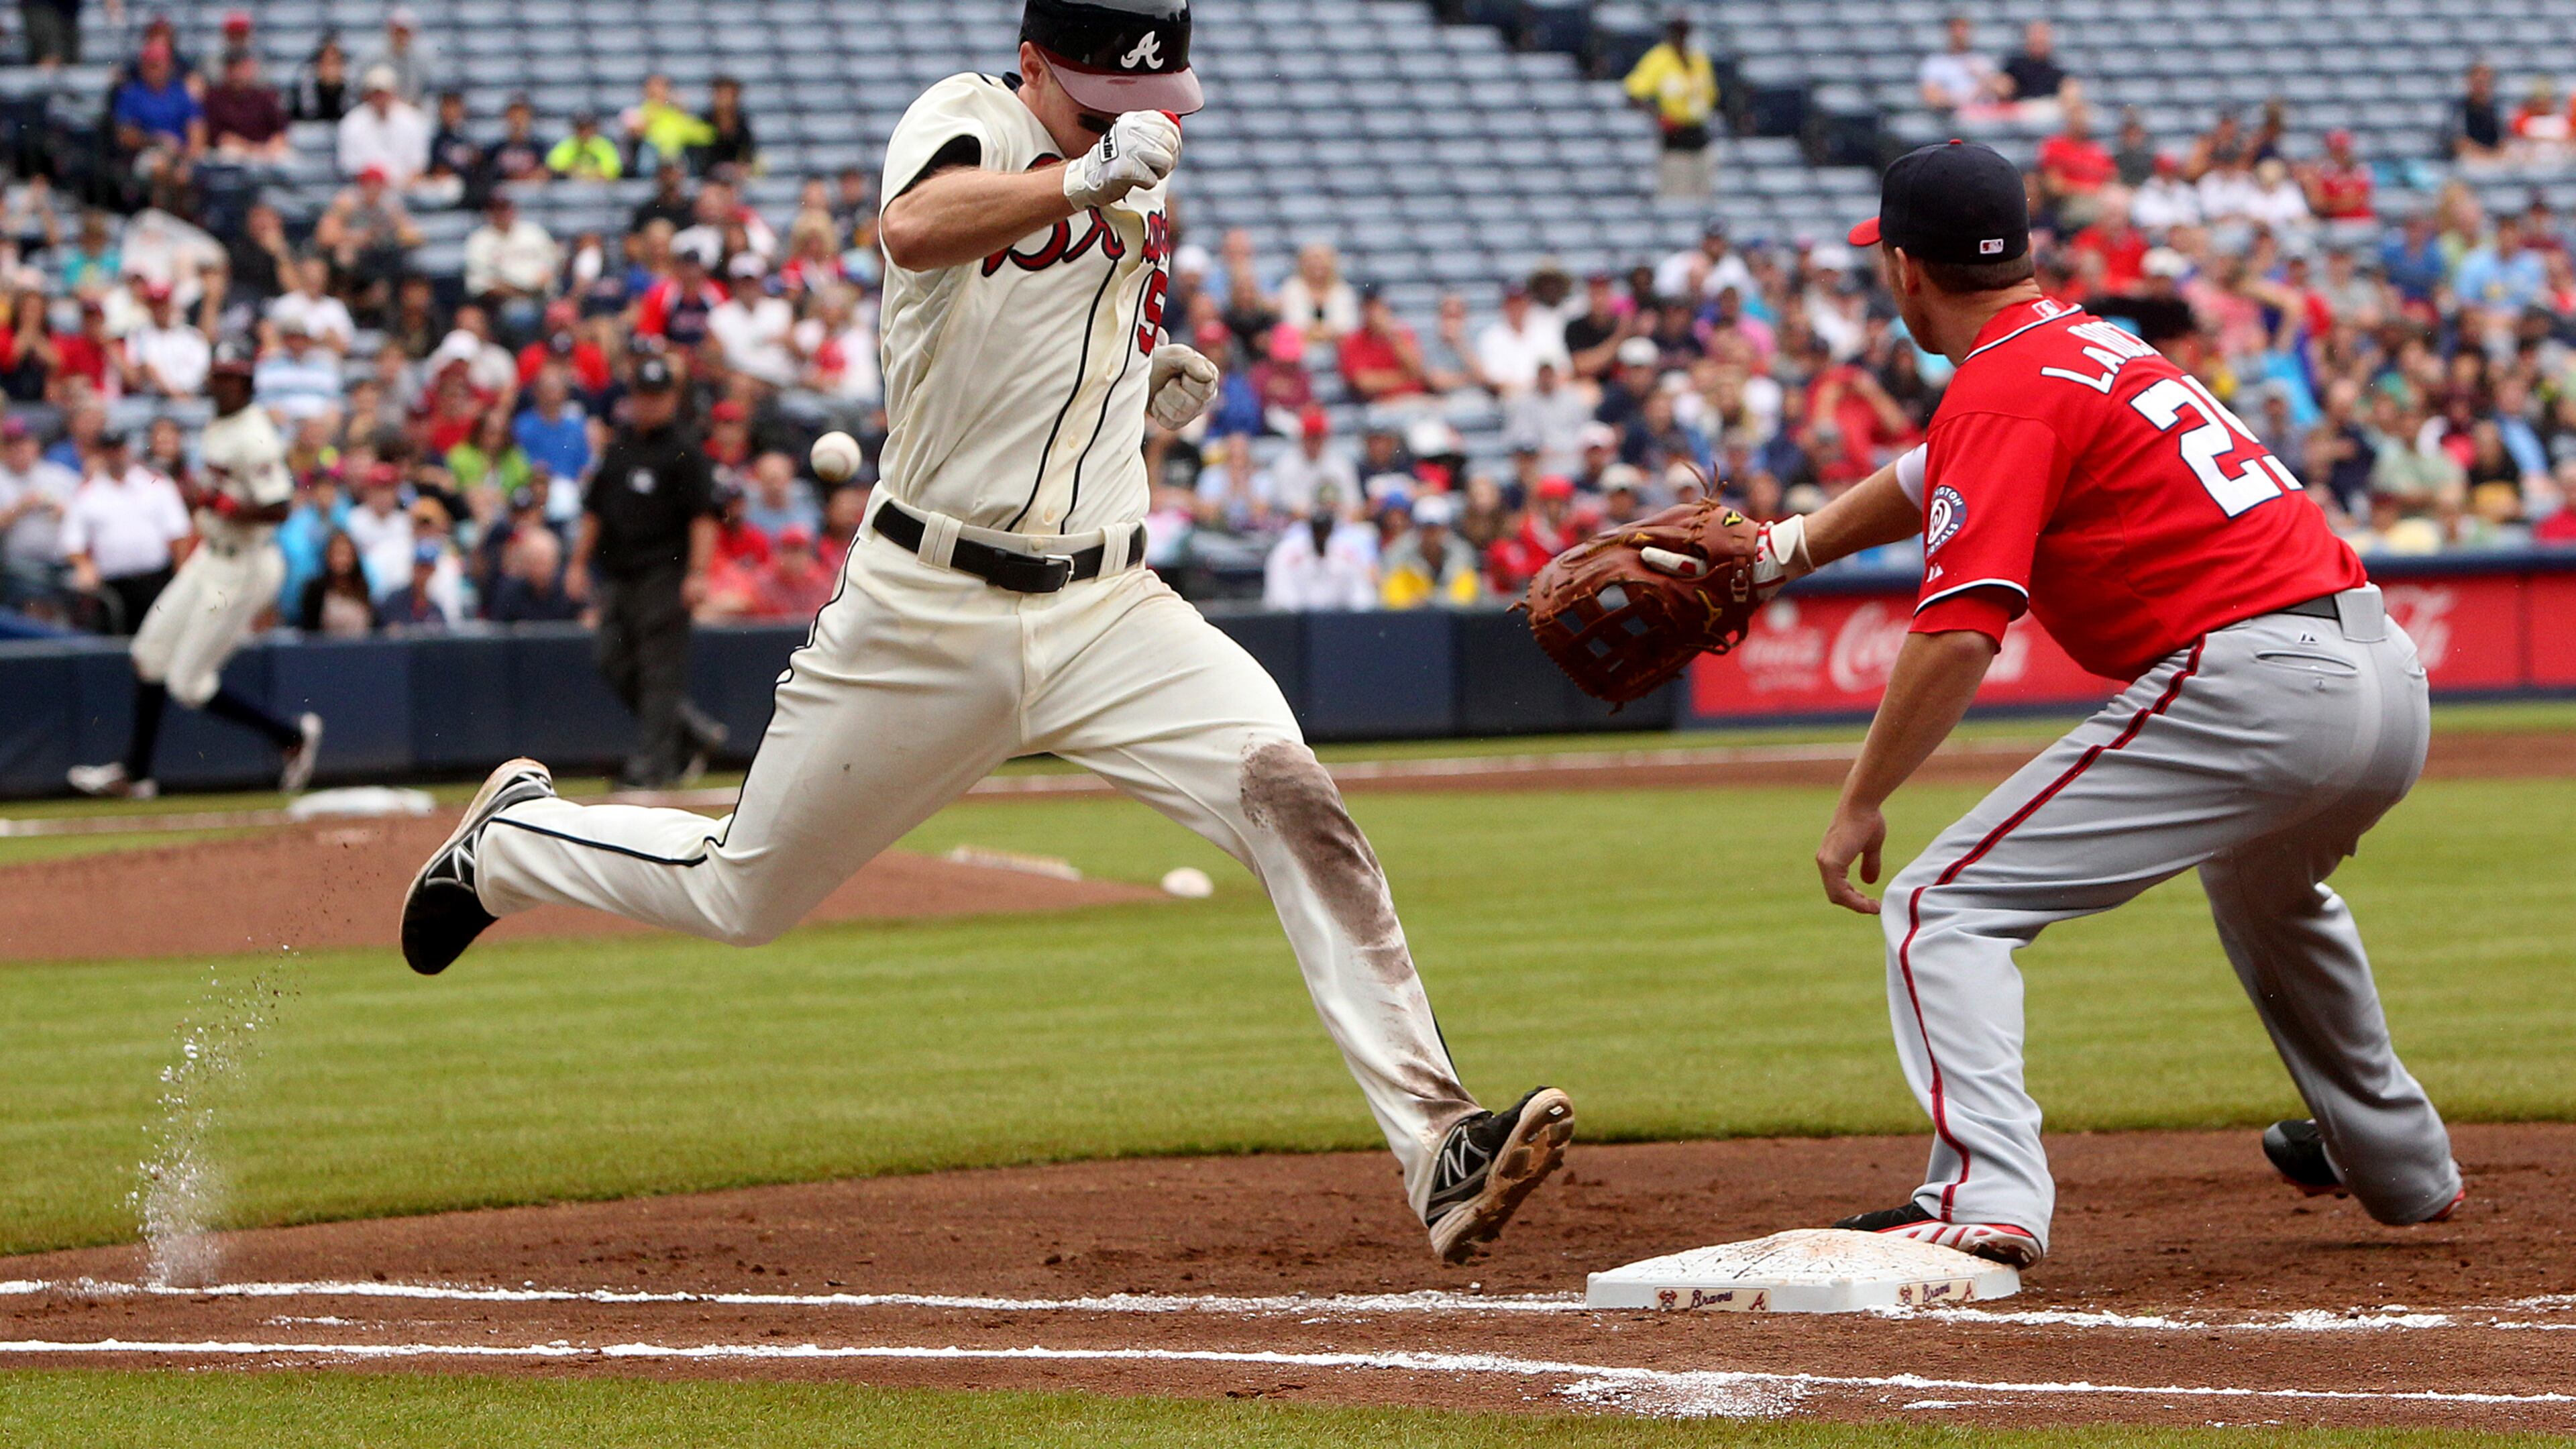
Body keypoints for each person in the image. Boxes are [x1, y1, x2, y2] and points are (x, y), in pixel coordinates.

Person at [397, 0, 1570, 1267]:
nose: (1134, 123)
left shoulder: (1125, 160)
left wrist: (1148, 382)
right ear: (1031, 69)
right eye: (1098, 101)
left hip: (1110, 608)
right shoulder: (969, 120)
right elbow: (915, 227)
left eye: (1151, 101)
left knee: (1292, 797)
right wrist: (1077, 170)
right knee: (743, 891)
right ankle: (512, 849)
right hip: (927, 614)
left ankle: (1437, 1143)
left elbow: (1046, 349)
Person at [1775, 141, 2458, 1267]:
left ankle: (1984, 1196)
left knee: (1945, 904)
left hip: (2264, 682)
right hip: (2383, 672)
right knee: (2268, 891)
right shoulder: (2091, 346)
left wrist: (1861, 800)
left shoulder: (1998, 388)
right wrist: (1779, 551)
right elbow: (1926, 474)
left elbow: (1959, 628)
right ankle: (2402, 1166)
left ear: (1904, 269)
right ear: (2023, 245)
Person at [68, 354, 323, 800]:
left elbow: (280, 506)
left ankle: (291, 738)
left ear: (246, 385)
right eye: (219, 376)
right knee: (148, 655)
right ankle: (137, 774)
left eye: (231, 378)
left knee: (187, 684)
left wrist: (229, 507)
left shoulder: (255, 436)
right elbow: (217, 493)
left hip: (244, 563)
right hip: (210, 555)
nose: (221, 384)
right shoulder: (216, 424)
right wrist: (205, 498)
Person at [554, 355, 727, 786]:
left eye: (658, 396)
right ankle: (691, 730)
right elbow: (594, 511)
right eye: (642, 396)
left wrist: (698, 573)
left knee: (658, 671)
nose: (649, 404)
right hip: (618, 575)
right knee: (610, 660)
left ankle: (653, 767)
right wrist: (577, 564)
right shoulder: (619, 447)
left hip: (665, 575)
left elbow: (704, 516)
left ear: (672, 398)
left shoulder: (686, 450)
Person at [1622, 13, 1717, 199]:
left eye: (1685, 32)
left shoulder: (1698, 59)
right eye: (1678, 32)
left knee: (1705, 198)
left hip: (1701, 136)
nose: (1682, 37)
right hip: (1675, 140)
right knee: (1677, 198)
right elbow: (1632, 94)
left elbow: (1711, 96)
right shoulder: (1659, 59)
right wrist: (1659, 115)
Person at [1918, 15, 2002, 115]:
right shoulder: (1935, 63)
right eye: (1955, 29)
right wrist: (1966, 98)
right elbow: (1931, 97)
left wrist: (1983, 77)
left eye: (1963, 29)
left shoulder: (1982, 60)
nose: (1959, 34)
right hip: (1950, 117)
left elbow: (2004, 89)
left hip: (1983, 117)